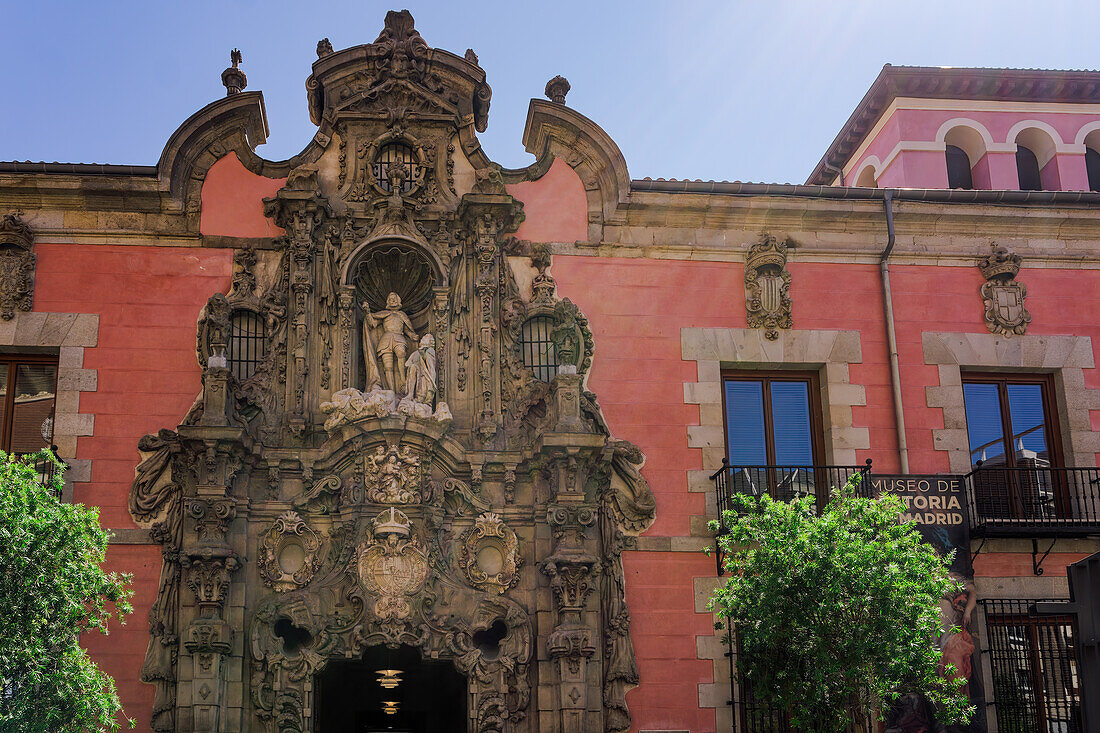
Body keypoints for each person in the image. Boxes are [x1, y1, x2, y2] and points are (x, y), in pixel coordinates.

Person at [362, 292, 418, 393]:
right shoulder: (384, 314)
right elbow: (373, 324)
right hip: (386, 339)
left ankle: (403, 381)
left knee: (401, 353)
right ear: (388, 301)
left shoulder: (402, 315)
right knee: (388, 367)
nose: (392, 300)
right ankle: (391, 391)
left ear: (398, 301)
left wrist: (411, 335)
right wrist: (368, 312)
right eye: (390, 299)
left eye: (394, 298)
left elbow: (406, 329)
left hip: (399, 337)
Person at [403, 334, 437, 405]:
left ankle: (417, 396)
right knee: (413, 367)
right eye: (423, 337)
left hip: (424, 377)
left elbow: (430, 366)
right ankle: (410, 394)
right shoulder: (415, 353)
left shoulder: (430, 351)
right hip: (415, 374)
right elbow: (407, 364)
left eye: (426, 338)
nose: (423, 339)